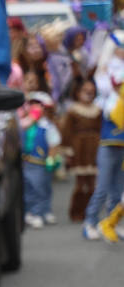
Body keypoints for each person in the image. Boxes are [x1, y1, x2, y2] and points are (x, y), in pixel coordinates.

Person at [82, 30, 124, 240]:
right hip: (109, 141)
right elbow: (108, 99)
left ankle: (112, 222)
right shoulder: (105, 76)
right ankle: (89, 221)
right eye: (120, 48)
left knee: (119, 187)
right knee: (103, 186)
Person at [59, 77, 103, 222]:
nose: (88, 94)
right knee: (80, 183)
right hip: (79, 149)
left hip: (94, 148)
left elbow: (101, 130)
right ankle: (77, 211)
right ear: (77, 93)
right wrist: (68, 152)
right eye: (85, 91)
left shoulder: (98, 110)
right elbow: (67, 132)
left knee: (92, 184)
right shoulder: (73, 111)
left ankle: (91, 212)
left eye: (91, 91)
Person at [20, 92, 63, 228]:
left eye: (38, 105)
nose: (34, 107)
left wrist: (51, 159)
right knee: (28, 189)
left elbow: (54, 143)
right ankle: (30, 212)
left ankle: (40, 212)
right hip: (26, 162)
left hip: (40, 164)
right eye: (32, 104)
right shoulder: (26, 123)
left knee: (41, 188)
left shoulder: (47, 127)